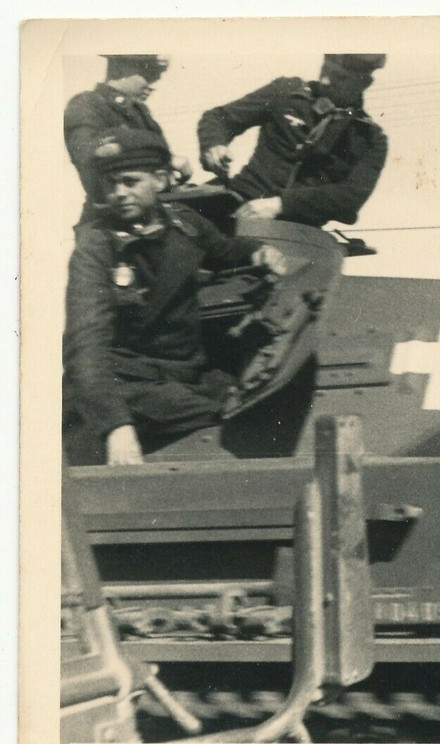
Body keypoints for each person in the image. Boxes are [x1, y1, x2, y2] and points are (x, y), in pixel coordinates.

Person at [62, 129, 288, 467]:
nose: (119, 193)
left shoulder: (184, 224)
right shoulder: (96, 246)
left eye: (130, 181)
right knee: (226, 415)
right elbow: (86, 344)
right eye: (111, 184)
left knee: (252, 398)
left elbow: (225, 250)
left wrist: (258, 251)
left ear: (160, 179)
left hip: (184, 375)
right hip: (127, 383)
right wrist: (115, 424)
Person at [197, 54, 389, 228]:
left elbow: (350, 196)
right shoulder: (286, 92)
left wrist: (282, 204)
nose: (325, 80)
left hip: (297, 230)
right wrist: (214, 145)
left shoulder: (371, 138)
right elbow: (218, 118)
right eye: (325, 69)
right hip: (237, 203)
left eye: (340, 77)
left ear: (364, 83)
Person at [64, 55, 193, 223]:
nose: (150, 85)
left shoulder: (141, 112)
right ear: (120, 69)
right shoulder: (86, 104)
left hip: (153, 214)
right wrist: (168, 159)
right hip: (110, 220)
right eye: (147, 75)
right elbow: (86, 151)